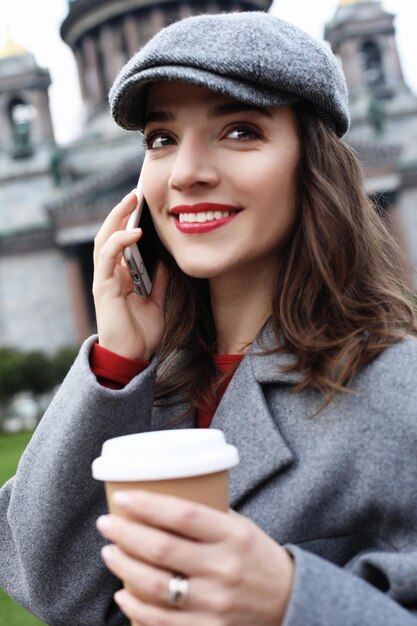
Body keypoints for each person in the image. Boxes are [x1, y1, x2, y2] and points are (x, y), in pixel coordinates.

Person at [1, 10, 417, 626]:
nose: (187, 172)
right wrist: (116, 360)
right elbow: (52, 588)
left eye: (241, 130)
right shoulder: (145, 391)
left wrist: (294, 601)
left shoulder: (400, 392)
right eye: (161, 138)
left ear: (313, 161)